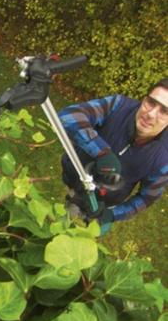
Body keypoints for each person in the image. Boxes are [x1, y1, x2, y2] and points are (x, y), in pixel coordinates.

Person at [58, 78, 168, 233]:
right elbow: (68, 115)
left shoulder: (164, 159)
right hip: (73, 180)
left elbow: (146, 198)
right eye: (151, 102)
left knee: (82, 247)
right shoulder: (118, 105)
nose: (151, 114)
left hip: (102, 206)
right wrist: (102, 152)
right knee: (55, 227)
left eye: (164, 111)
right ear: (144, 99)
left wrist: (111, 215)